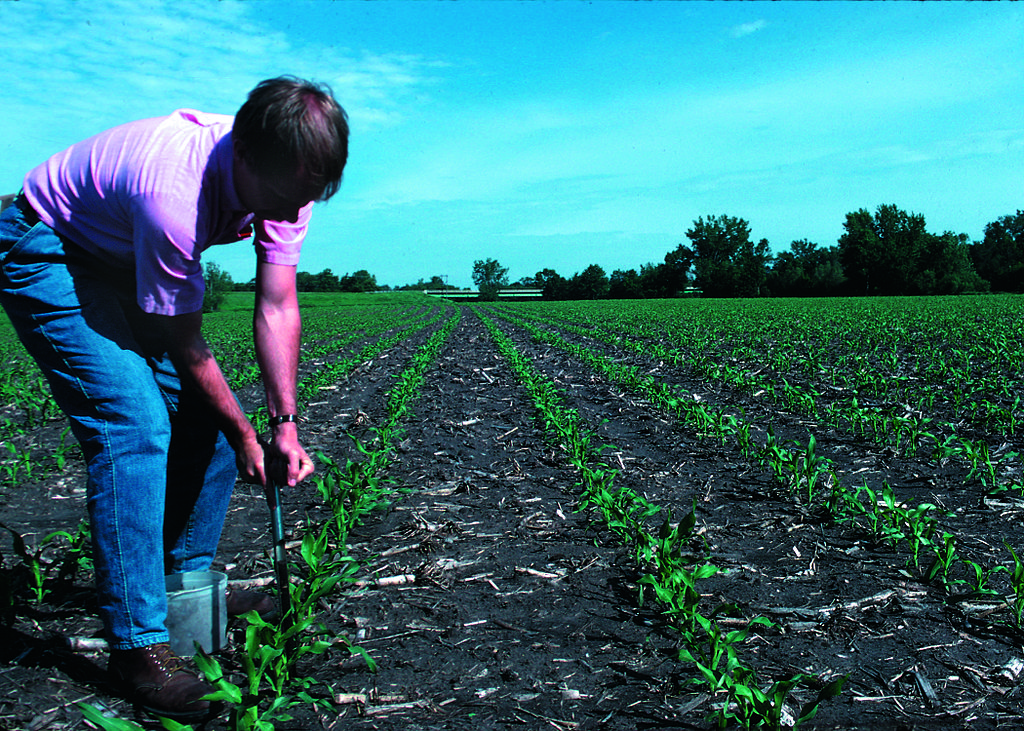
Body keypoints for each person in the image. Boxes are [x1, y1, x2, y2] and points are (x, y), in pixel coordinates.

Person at [0, 76, 349, 720]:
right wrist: (247, 434)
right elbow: (184, 339)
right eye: (279, 198)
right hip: (48, 247)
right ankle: (138, 647)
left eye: (302, 200)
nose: (286, 213)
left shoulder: (285, 176)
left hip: (119, 252)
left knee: (212, 424)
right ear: (243, 155)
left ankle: (184, 588)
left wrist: (284, 424)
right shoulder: (173, 192)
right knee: (133, 425)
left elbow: (276, 304)